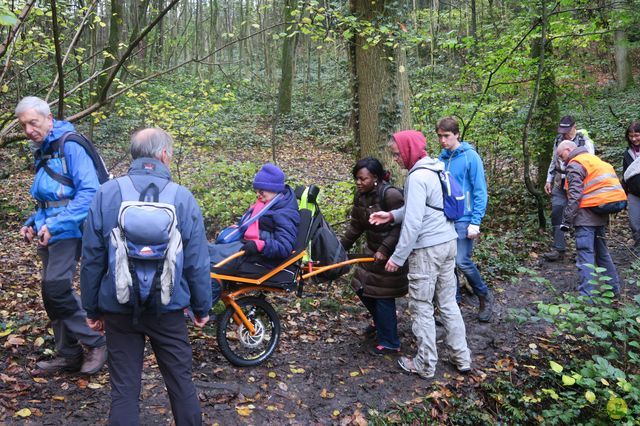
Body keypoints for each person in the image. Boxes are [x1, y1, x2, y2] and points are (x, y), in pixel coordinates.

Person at [80, 128, 212, 424]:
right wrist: (202, 307)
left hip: (118, 305)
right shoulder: (182, 197)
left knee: (124, 392)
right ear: (164, 155)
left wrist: (92, 309)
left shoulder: (107, 193)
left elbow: (91, 258)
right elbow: (197, 262)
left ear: (134, 155)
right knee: (180, 384)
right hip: (169, 306)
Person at [15, 96, 107, 375]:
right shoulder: (43, 148)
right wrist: (32, 221)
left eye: (34, 122)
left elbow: (89, 193)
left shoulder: (70, 144)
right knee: (51, 291)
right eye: (24, 125)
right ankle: (67, 353)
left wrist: (55, 225)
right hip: (49, 228)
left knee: (55, 287)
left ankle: (97, 341)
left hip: (71, 228)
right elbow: (50, 195)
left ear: (49, 119)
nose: (30, 129)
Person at [370, 130, 471, 379]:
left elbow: (415, 223)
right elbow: (426, 207)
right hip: (449, 242)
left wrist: (398, 257)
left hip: (427, 250)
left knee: (421, 306)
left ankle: (425, 364)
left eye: (396, 154)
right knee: (447, 303)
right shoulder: (436, 168)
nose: (395, 159)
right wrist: (392, 215)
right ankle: (462, 357)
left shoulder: (417, 177)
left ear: (407, 150)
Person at [340, 157, 408, 355]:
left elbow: (403, 226)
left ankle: (390, 342)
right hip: (372, 251)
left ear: (376, 178)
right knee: (361, 287)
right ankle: (382, 323)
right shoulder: (360, 195)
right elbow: (356, 226)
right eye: (357, 179)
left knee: (383, 295)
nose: (359, 182)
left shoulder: (391, 195)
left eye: (363, 179)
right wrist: (339, 249)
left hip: (392, 253)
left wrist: (385, 249)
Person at [436, 117, 493, 322]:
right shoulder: (440, 160)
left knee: (462, 261)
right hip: (446, 219)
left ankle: (484, 296)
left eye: (447, 136)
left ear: (456, 135)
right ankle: (452, 306)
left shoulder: (471, 157)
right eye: (440, 136)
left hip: (465, 218)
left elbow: (480, 191)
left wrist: (475, 221)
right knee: (447, 264)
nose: (443, 140)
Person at [558, 140, 625, 297]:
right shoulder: (594, 159)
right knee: (602, 254)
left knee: (585, 256)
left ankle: (587, 298)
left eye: (561, 156)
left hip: (585, 217)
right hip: (600, 213)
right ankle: (613, 290)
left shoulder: (575, 164)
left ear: (568, 149)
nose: (562, 160)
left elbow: (575, 196)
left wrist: (566, 221)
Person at [208, 163, 300, 275]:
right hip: (247, 246)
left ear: (273, 189)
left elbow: (285, 247)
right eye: (256, 191)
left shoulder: (285, 212)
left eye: (261, 191)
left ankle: (208, 290)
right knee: (207, 251)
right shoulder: (268, 204)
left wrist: (260, 245)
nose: (257, 194)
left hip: (262, 257)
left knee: (210, 263)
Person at [544, 115, 595, 261]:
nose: (564, 133)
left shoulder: (584, 141)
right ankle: (559, 249)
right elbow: (554, 160)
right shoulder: (558, 140)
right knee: (557, 211)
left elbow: (590, 163)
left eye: (566, 130)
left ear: (574, 126)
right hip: (560, 183)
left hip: (578, 183)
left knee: (580, 215)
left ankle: (582, 251)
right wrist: (549, 179)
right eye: (562, 130)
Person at [622, 121, 640, 255]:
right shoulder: (627, 153)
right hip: (634, 193)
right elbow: (625, 174)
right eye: (631, 136)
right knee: (634, 221)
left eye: (637, 135)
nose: (634, 139)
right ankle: (638, 243)